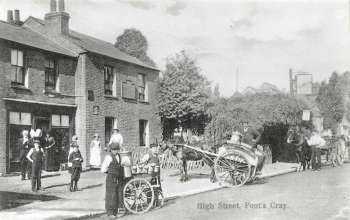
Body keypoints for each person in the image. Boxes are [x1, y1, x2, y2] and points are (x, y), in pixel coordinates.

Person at [101, 143, 130, 218]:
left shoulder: (120, 156)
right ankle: (110, 213)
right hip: (111, 179)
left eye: (116, 150)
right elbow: (103, 169)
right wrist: (110, 172)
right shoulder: (108, 157)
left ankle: (116, 212)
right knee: (111, 196)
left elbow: (126, 163)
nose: (115, 151)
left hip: (119, 179)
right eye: (113, 150)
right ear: (111, 150)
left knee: (118, 195)